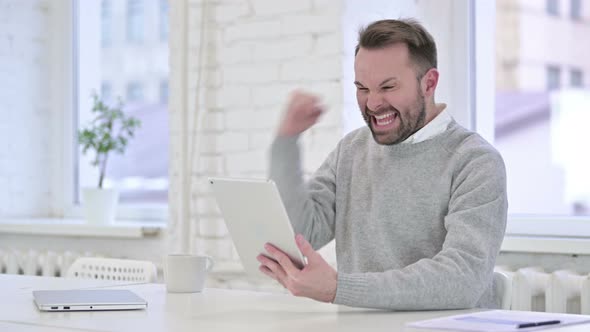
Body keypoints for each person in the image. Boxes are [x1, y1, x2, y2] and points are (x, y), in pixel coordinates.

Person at [256, 18, 507, 310]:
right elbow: (301, 233)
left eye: (387, 87)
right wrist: (286, 142)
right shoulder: (352, 150)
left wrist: (339, 288)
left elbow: (463, 278)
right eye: (362, 88)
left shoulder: (474, 160)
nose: (373, 104)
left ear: (429, 82)